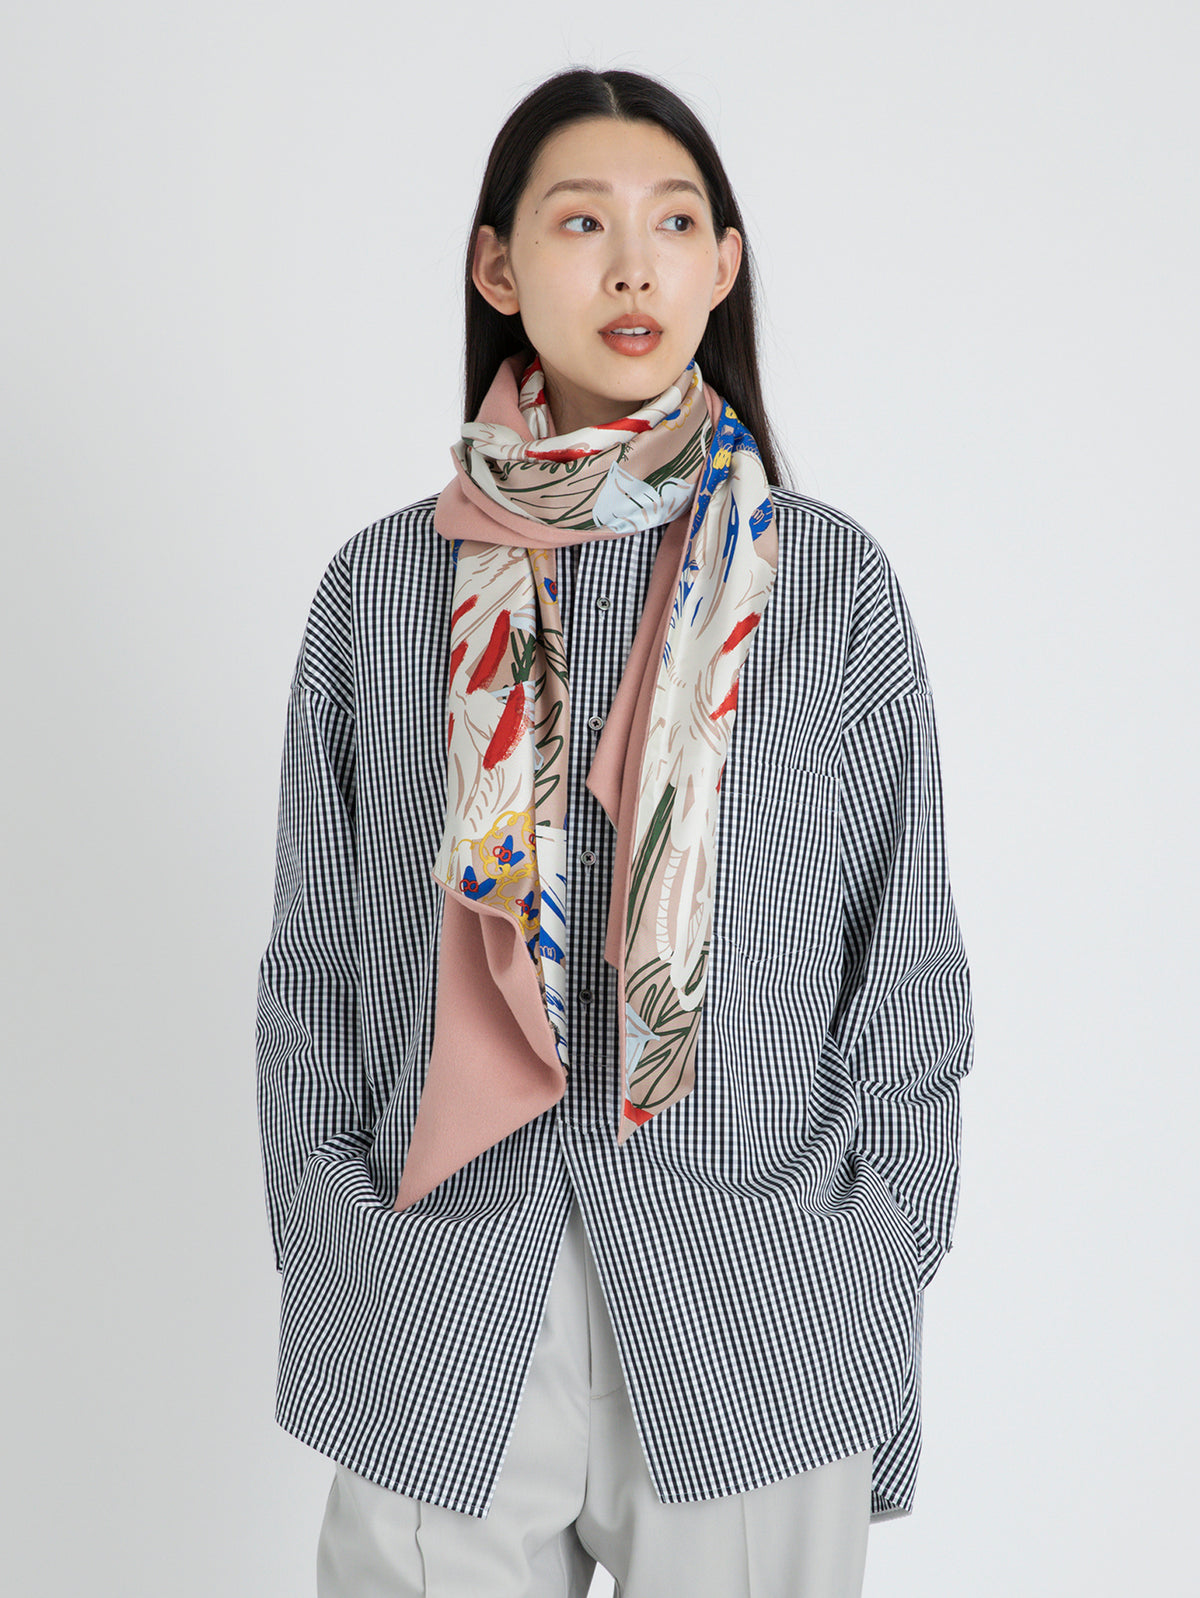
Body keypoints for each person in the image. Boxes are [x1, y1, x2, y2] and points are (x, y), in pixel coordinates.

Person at [256, 65, 974, 1598]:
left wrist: (873, 1249)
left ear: (724, 266)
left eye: (675, 224)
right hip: (439, 1294)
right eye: (583, 223)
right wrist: (329, 1229)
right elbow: (313, 961)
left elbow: (904, 956)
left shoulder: (831, 588)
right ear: (499, 266)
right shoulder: (380, 590)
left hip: (758, 1301)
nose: (634, 266)